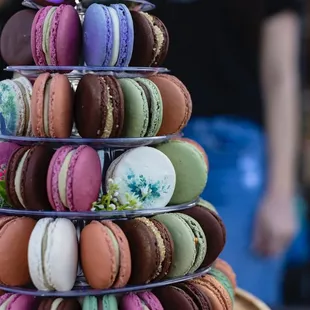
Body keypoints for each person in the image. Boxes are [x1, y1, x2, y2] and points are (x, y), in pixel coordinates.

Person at [154, 0, 303, 305]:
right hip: (155, 145)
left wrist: (282, 194)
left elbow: (281, 76)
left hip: (235, 156)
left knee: (236, 297)